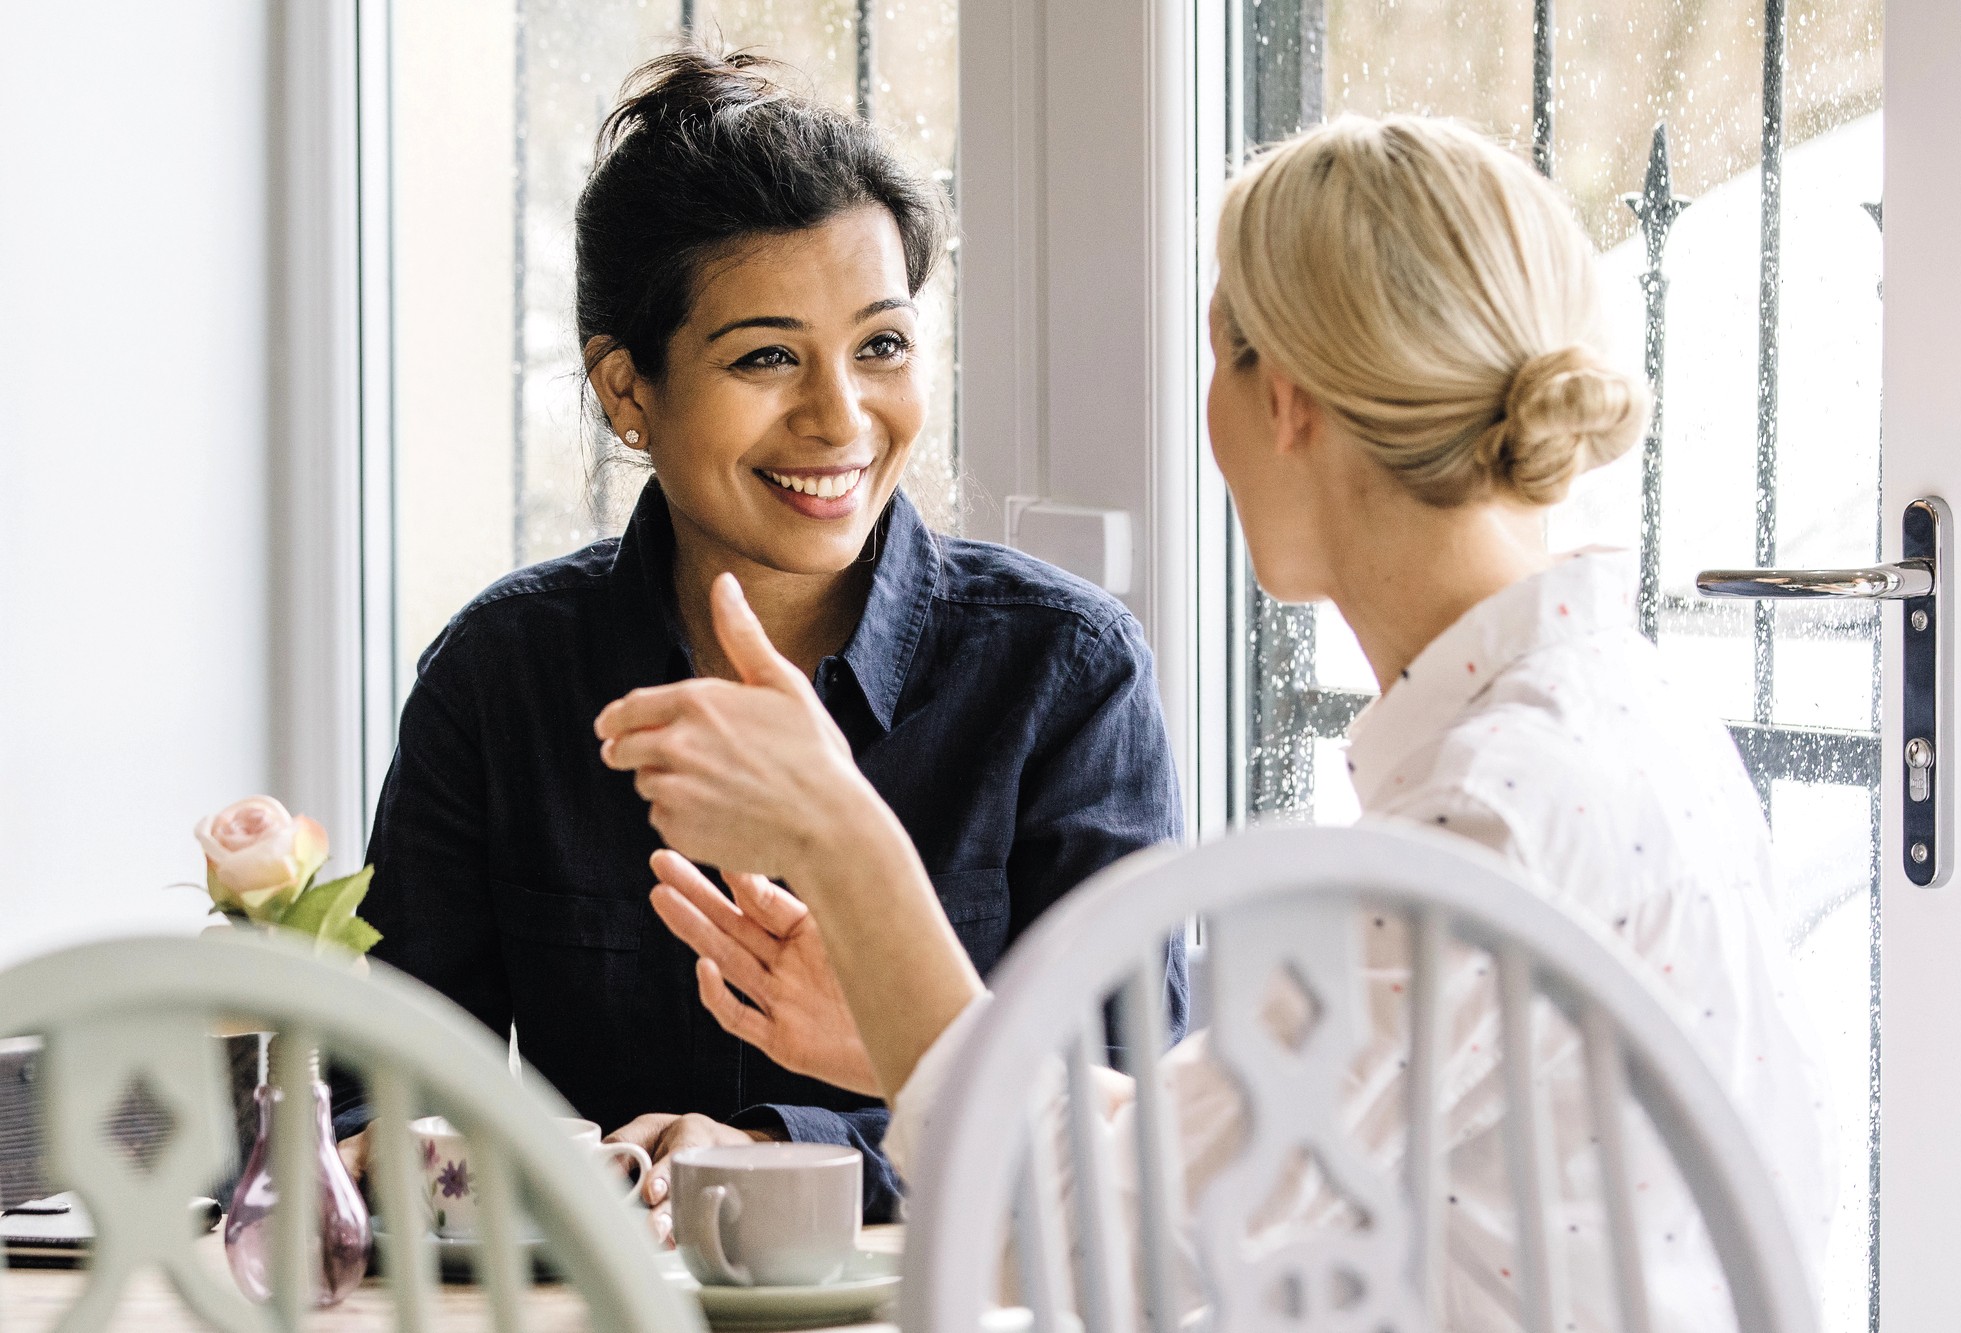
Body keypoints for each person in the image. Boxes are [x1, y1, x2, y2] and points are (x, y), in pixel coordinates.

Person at [598, 114, 1835, 1327]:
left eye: (1212, 356)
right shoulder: (1600, 723)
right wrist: (892, 1028)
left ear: (1281, 398)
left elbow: (1094, 1250)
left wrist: (843, 838)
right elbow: (1228, 1163)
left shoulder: (1488, 814)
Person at [334, 47, 1187, 1230]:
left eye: (880, 346)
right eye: (766, 357)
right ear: (626, 390)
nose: (839, 416)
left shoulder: (1065, 674)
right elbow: (374, 1095)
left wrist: (766, 1154)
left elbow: (1134, 1125)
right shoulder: (500, 676)